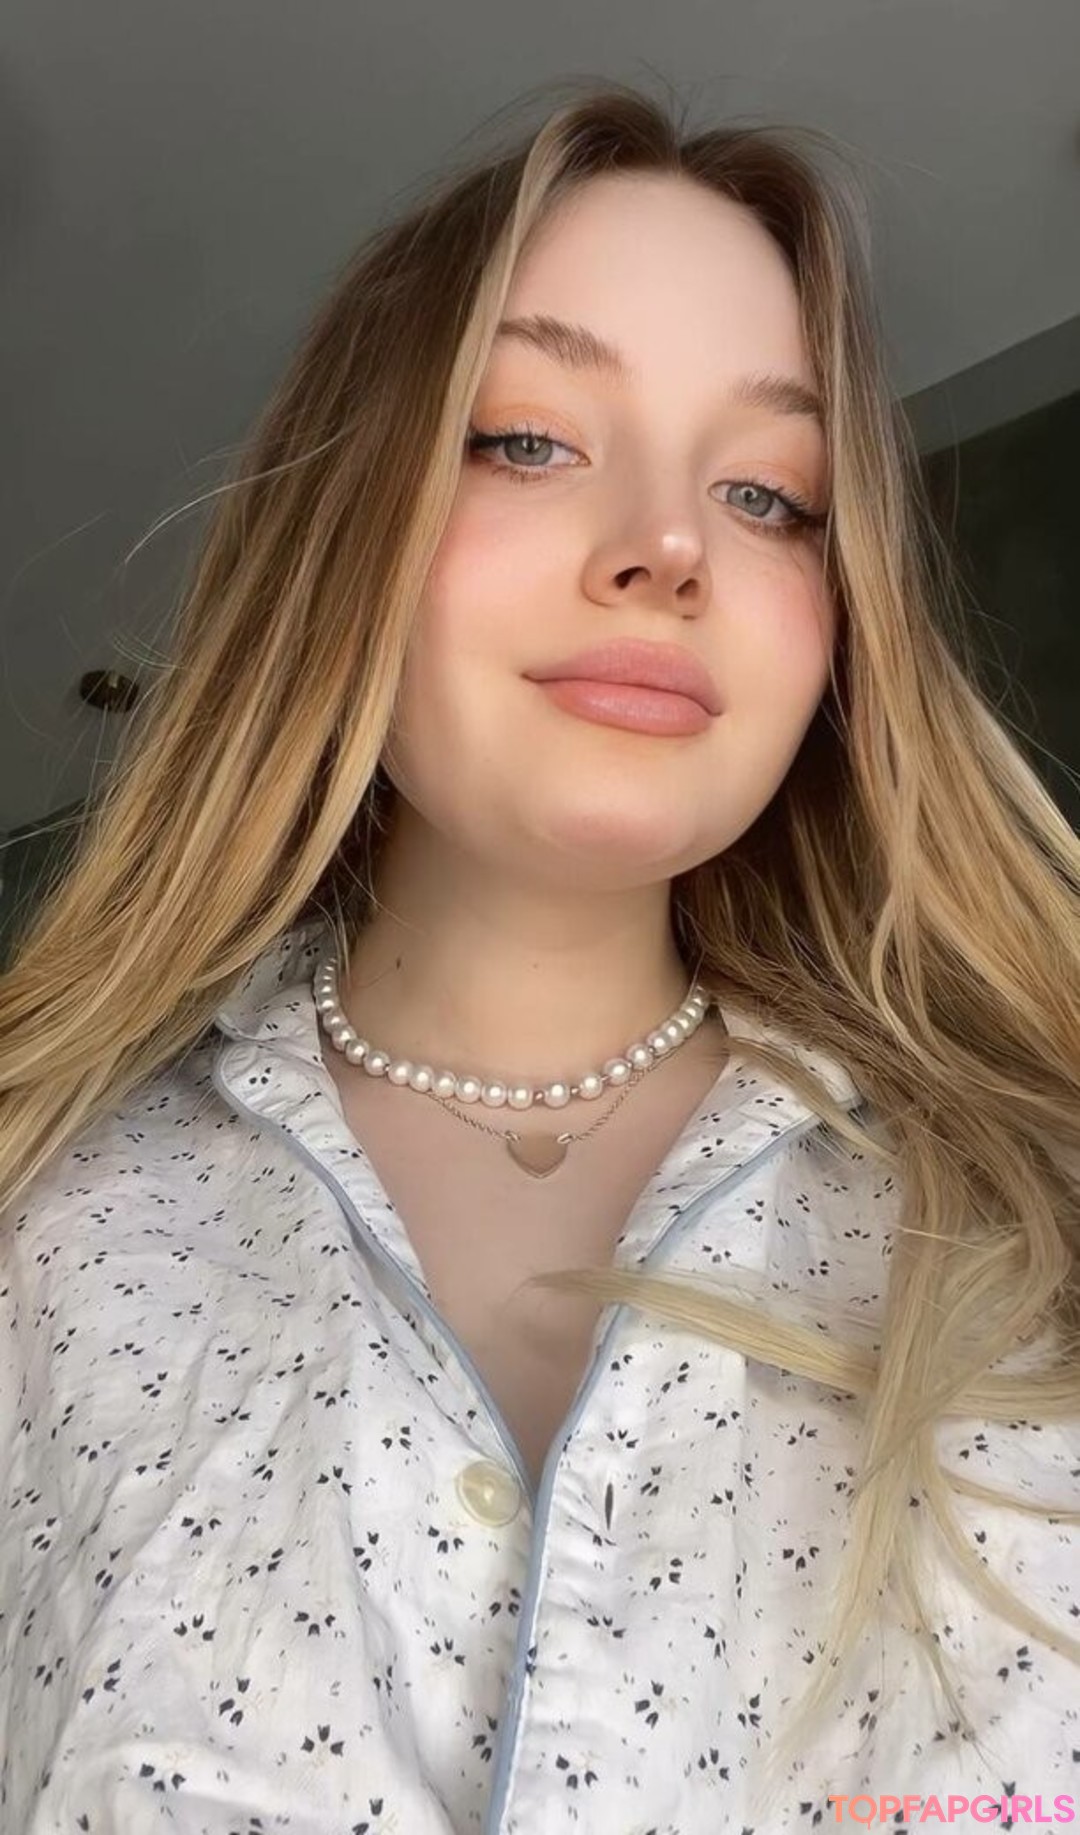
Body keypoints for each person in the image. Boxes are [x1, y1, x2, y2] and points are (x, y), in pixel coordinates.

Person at [0, 80, 1078, 1835]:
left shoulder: (1035, 1226)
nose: (670, 546)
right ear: (345, 525)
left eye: (770, 492)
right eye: (527, 439)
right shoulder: (44, 1229)